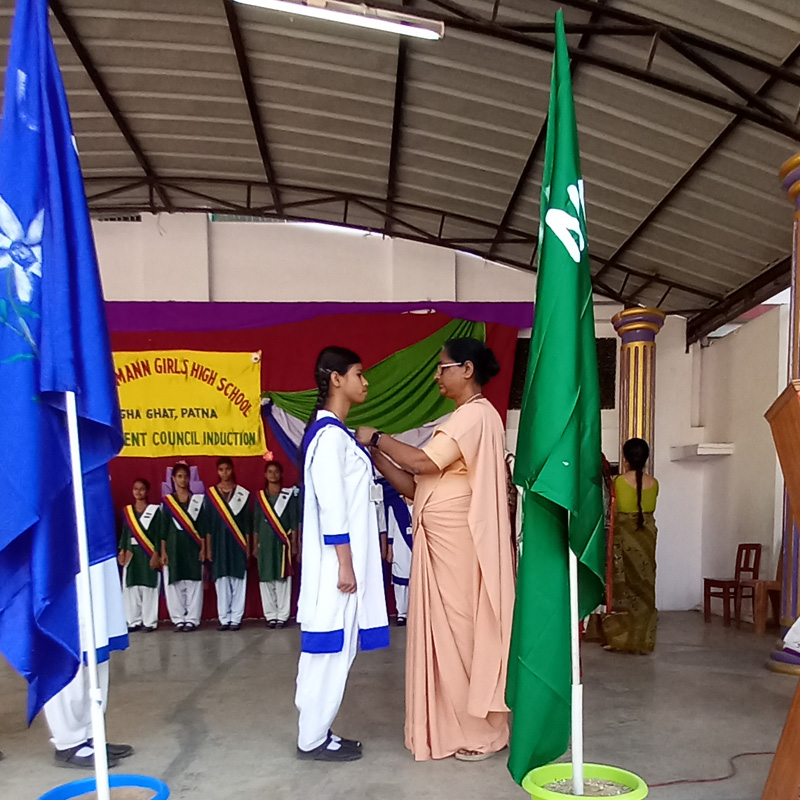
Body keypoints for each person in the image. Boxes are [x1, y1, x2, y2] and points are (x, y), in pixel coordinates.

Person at [357, 338, 515, 763]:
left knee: (463, 636)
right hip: (438, 544)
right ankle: (449, 726)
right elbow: (414, 486)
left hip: (460, 546)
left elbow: (425, 463)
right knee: (442, 638)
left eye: (442, 367)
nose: (436, 375)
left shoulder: (476, 415)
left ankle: (482, 731)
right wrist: (377, 455)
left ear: (466, 370)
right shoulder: (460, 419)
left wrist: (380, 437)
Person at [295, 346, 389, 762]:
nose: (365, 381)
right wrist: (346, 565)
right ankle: (311, 737)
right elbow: (333, 505)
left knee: (338, 649)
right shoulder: (329, 438)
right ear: (336, 379)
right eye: (358, 373)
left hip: (343, 566)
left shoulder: (338, 437)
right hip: (336, 569)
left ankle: (318, 729)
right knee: (327, 649)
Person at [602, 437, 659, 654]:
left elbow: (611, 511)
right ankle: (644, 641)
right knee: (645, 587)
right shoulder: (655, 483)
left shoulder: (617, 482)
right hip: (646, 538)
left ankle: (620, 639)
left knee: (622, 588)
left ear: (625, 458)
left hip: (623, 540)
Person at [203, 457, 251, 631]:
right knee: (221, 580)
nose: (225, 473)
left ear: (232, 470)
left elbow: (247, 524)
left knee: (239, 580)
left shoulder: (242, 493)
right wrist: (207, 548)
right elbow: (207, 525)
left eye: (227, 469)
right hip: (218, 543)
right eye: (221, 469)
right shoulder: (211, 495)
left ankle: (236, 618)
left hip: (238, 543)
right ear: (217, 471)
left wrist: (249, 547)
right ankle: (224, 618)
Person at [252, 460, 300, 629]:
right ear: (265, 475)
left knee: (282, 578)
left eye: (276, 471)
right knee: (266, 579)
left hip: (282, 543)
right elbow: (256, 523)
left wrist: (295, 543)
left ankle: (282, 615)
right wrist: (255, 544)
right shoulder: (260, 497)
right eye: (270, 472)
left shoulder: (288, 497)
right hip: (265, 543)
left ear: (281, 474)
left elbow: (294, 522)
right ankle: (270, 615)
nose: (273, 475)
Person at [161, 462, 206, 632]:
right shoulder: (167, 503)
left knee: (194, 582)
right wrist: (163, 551)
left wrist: (203, 548)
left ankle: (193, 619)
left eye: (185, 476)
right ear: (173, 479)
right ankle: (179, 619)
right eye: (179, 476)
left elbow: (203, 528)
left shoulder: (197, 501)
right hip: (173, 547)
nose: (182, 480)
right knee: (174, 583)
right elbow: (163, 530)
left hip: (193, 547)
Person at [117, 478, 162, 633]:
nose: (138, 492)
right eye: (135, 489)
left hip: (148, 552)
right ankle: (133, 620)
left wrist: (157, 553)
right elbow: (125, 533)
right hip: (132, 552)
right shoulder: (128, 511)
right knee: (132, 587)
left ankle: (149, 621)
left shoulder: (155, 511)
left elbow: (158, 534)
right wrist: (122, 550)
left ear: (147, 491)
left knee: (149, 587)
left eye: (142, 489)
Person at [381, 478, 413, 626]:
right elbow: (391, 530)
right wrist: (389, 549)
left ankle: (414, 610)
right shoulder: (395, 506)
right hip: (400, 547)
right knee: (400, 580)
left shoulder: (420, 503)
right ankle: (402, 613)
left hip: (416, 547)